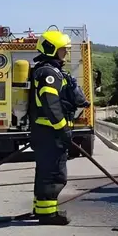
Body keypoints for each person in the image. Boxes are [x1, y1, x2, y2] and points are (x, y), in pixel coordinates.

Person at [28, 29, 76, 225]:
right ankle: (48, 215)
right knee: (54, 174)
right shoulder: (48, 73)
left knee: (45, 171)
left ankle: (41, 208)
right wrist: (63, 128)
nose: (65, 54)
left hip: (45, 132)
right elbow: (51, 103)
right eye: (63, 50)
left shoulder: (46, 70)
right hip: (50, 132)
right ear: (52, 50)